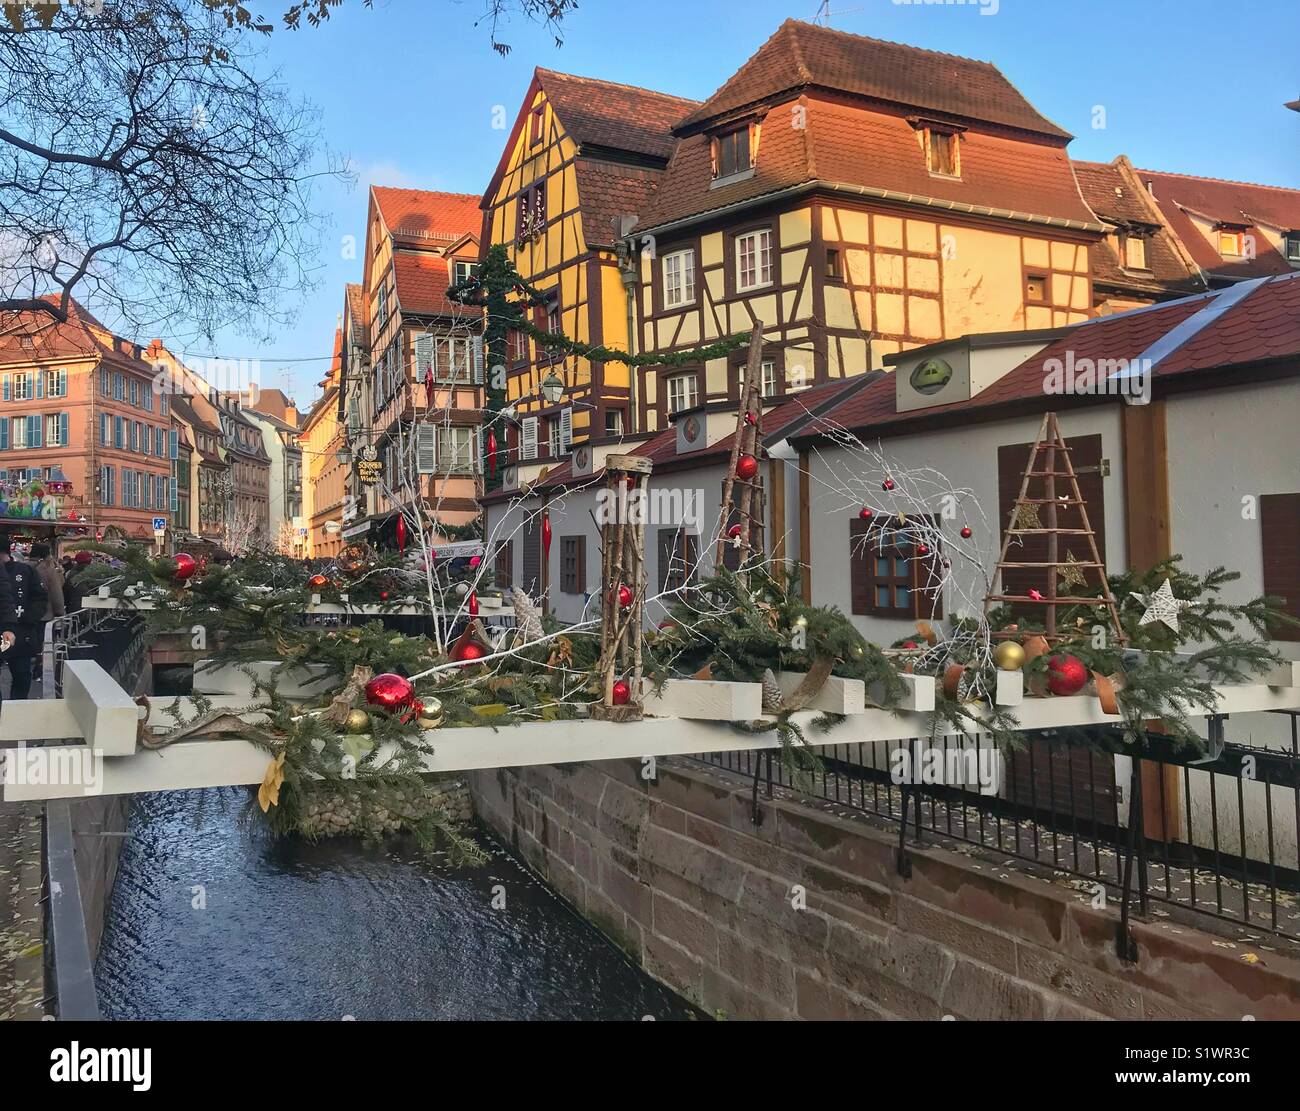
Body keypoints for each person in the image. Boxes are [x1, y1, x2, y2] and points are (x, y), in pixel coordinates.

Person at [0, 537, 48, 699]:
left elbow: (40, 597)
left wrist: (30, 619)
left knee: (21, 676)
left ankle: (16, 708)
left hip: (21, 633)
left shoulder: (25, 571)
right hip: (10, 632)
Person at [30, 543, 66, 621]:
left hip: (22, 614)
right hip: (44, 614)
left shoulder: (21, 566)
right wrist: (59, 611)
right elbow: (56, 591)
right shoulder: (47, 570)